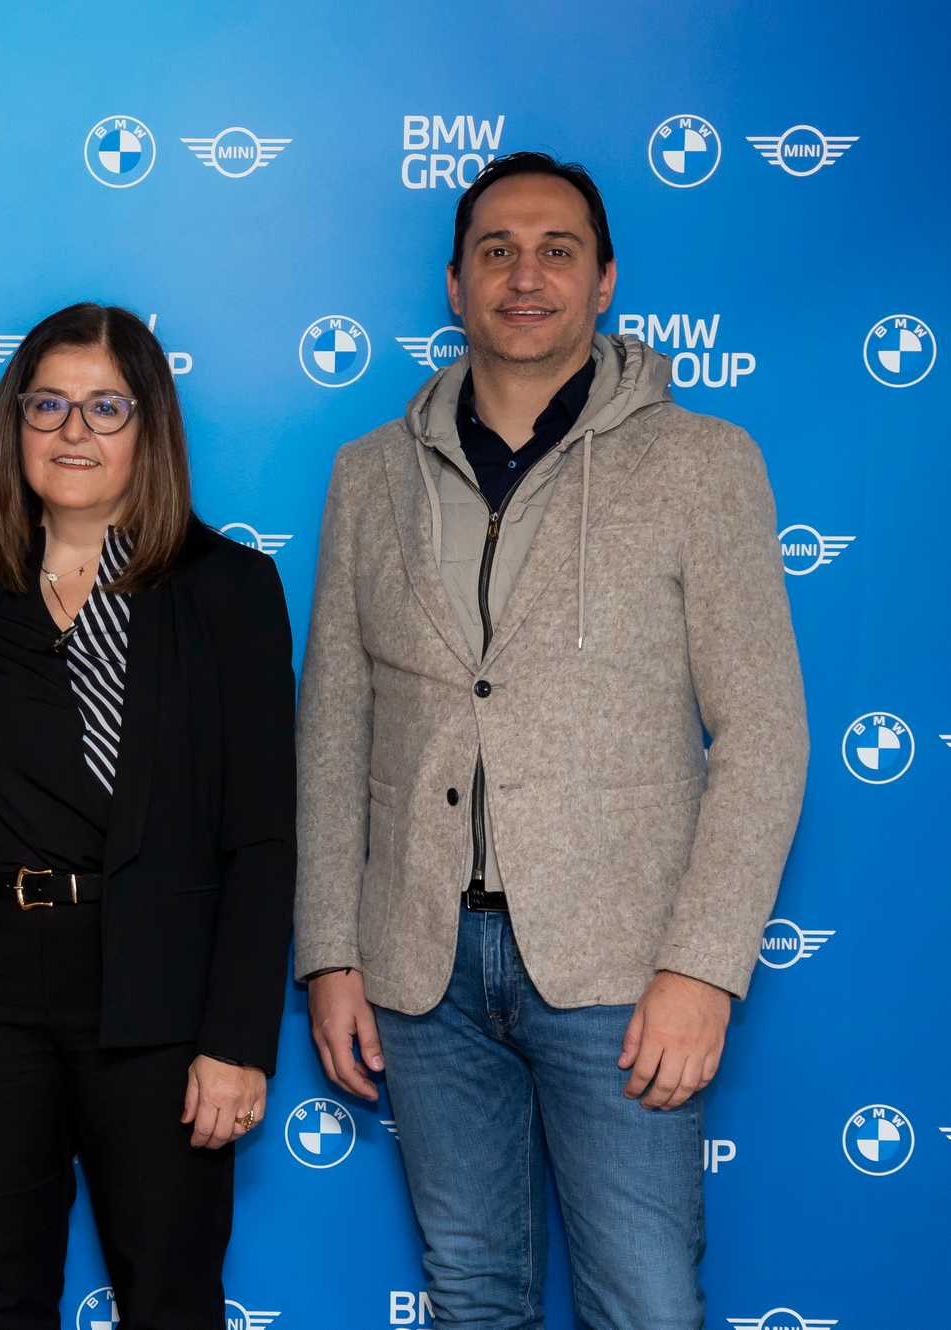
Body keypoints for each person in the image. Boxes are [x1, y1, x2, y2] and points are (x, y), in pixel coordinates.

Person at [294, 153, 808, 1326]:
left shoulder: (702, 464)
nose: (524, 276)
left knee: (642, 1303)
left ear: (604, 280)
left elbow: (766, 732)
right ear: (454, 284)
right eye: (497, 252)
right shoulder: (368, 476)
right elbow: (332, 728)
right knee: (473, 1292)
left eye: (556, 251)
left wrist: (702, 966)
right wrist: (329, 951)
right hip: (420, 969)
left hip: (623, 970)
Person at [0, 303, 297, 1330]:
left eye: (106, 407)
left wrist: (238, 1038)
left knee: (169, 1300)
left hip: (156, 997)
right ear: (12, 423)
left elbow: (262, 834)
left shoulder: (227, 588)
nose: (73, 432)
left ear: (150, 426)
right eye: (47, 405)